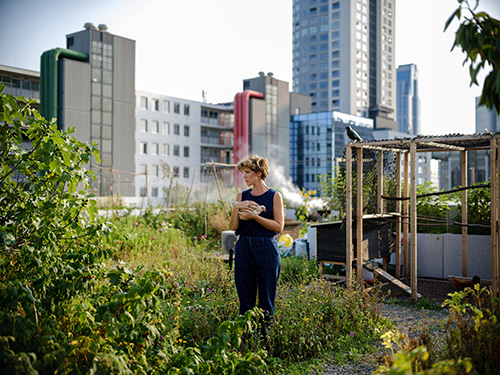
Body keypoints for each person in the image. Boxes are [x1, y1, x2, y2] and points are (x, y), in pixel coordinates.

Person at [230, 154, 284, 338]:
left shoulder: (274, 196)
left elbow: (278, 227)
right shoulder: (241, 196)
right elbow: (234, 227)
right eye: (243, 172)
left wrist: (255, 217)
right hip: (244, 247)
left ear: (259, 173)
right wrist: (237, 206)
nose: (244, 176)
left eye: (247, 172)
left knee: (266, 298)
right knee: (245, 298)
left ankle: (264, 339)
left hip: (266, 249)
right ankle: (246, 338)